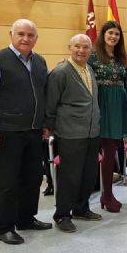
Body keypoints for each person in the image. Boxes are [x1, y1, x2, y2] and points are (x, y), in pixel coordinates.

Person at [0, 19, 52, 244]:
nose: (25, 39)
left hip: (34, 131)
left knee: (33, 178)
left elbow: (44, 95)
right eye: (20, 34)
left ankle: (26, 219)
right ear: (11, 34)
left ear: (36, 38)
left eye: (30, 35)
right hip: (6, 132)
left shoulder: (40, 62)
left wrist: (45, 122)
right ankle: (5, 227)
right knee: (7, 182)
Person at [45, 34, 102, 232]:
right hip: (70, 134)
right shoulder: (60, 72)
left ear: (90, 50)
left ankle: (80, 208)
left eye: (85, 47)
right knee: (69, 176)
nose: (81, 50)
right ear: (70, 47)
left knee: (88, 175)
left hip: (92, 133)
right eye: (77, 46)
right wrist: (52, 130)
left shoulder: (89, 69)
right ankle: (62, 215)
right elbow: (50, 105)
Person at [88, 21, 127, 213]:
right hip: (100, 104)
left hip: (118, 105)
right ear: (103, 34)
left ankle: (108, 194)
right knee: (96, 152)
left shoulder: (121, 57)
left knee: (111, 151)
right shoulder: (93, 55)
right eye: (110, 33)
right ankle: (96, 194)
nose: (113, 37)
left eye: (117, 34)